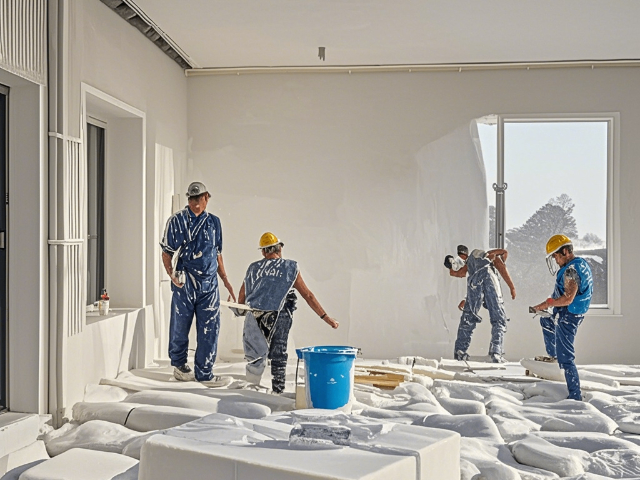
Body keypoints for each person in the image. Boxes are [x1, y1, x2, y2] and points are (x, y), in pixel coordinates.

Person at [236, 232, 339, 394]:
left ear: (263, 252)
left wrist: (240, 309)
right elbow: (308, 295)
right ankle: (278, 390)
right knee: (278, 350)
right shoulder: (290, 267)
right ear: (280, 248)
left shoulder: (253, 268)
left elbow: (242, 295)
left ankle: (252, 388)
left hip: (255, 314)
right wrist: (326, 318)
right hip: (280, 313)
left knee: (254, 353)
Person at [160, 181, 236, 387]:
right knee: (180, 324)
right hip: (185, 282)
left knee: (210, 327)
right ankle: (180, 365)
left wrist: (226, 281)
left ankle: (205, 372)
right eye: (191, 199)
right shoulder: (176, 221)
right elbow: (166, 252)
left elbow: (217, 253)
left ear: (207, 198)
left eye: (199, 199)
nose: (195, 203)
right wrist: (172, 275)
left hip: (209, 284)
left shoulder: (214, 222)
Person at [531, 234, 593, 400]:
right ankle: (554, 357)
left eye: (556, 256)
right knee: (546, 321)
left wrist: (547, 303)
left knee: (567, 357)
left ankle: (575, 395)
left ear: (565, 252)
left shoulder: (571, 271)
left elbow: (568, 298)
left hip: (569, 317)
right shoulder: (580, 264)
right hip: (569, 312)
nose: (556, 261)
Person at [444, 244, 516, 363]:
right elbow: (503, 254)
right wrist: (511, 287)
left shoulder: (471, 262)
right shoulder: (477, 253)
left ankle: (460, 351)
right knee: (498, 319)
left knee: (468, 316)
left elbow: (459, 274)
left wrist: (467, 299)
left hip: (475, 283)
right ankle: (496, 352)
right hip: (489, 279)